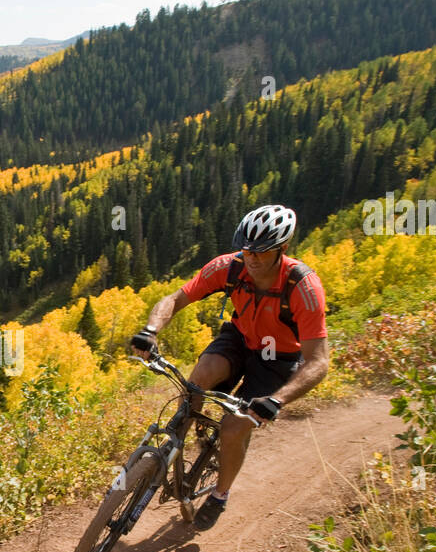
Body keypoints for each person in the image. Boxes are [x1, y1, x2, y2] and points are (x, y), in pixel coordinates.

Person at [130, 205, 330, 531]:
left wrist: (277, 401)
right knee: (199, 378)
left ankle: (220, 495)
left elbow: (319, 362)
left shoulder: (303, 288)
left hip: (276, 359)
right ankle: (175, 445)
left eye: (262, 252)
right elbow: (176, 299)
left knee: (234, 427)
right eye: (247, 249)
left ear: (283, 249)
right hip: (240, 338)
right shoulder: (229, 267)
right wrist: (151, 330)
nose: (251, 258)